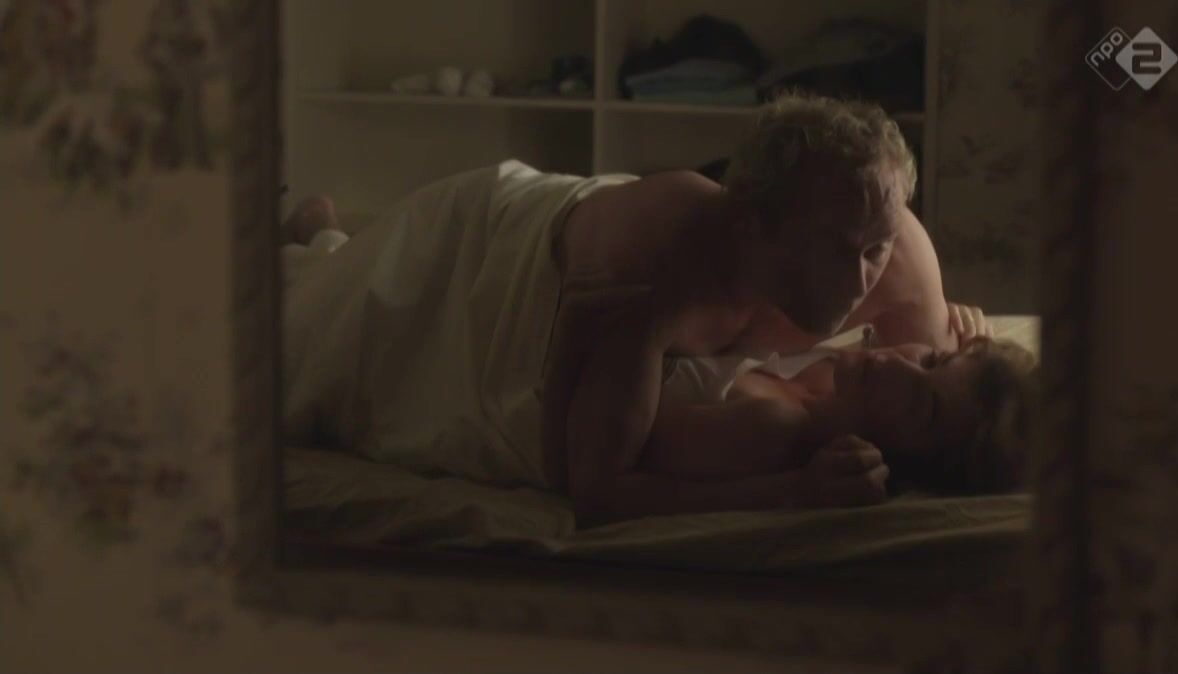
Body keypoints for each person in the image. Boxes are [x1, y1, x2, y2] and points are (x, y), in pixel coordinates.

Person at [280, 91, 997, 524]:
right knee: (304, 338)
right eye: (835, 248)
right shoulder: (656, 276)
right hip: (490, 258)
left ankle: (323, 236)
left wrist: (961, 341)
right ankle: (321, 241)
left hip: (627, 251)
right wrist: (791, 491)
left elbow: (940, 409)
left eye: (875, 247)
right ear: (755, 225)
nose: (860, 276)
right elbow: (588, 483)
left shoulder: (897, 253)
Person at [635, 337, 1036, 523]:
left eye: (919, 404)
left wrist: (794, 491)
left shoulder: (776, 430)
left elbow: (616, 479)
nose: (896, 365)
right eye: (934, 359)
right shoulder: (832, 376)